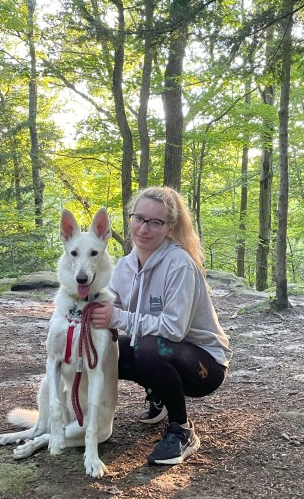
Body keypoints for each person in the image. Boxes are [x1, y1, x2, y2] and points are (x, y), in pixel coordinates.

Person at [90, 186, 232, 466]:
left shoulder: (179, 264)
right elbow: (107, 301)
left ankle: (182, 430)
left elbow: (173, 329)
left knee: (148, 346)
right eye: (138, 218)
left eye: (155, 222)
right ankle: (159, 397)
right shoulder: (124, 266)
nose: (144, 228)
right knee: (107, 353)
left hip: (205, 365)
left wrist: (116, 318)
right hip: (161, 351)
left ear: (170, 227)